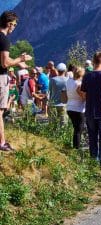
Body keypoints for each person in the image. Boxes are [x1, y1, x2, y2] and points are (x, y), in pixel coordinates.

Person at [0, 11, 32, 151]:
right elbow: (5, 63)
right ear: (9, 24)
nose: (14, 27)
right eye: (14, 25)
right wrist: (21, 59)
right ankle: (1, 143)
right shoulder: (4, 39)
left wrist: (17, 63)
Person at [66, 67, 85, 149]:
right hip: (78, 108)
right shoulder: (79, 84)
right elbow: (83, 97)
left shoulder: (68, 81)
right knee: (78, 130)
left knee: (75, 128)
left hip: (69, 107)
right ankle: (76, 148)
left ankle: (75, 146)